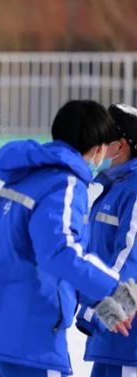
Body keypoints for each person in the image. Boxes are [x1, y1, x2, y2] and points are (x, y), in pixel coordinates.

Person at [0, 100, 137, 377]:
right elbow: (60, 252)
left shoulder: (24, 173)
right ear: (99, 147)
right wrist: (112, 288)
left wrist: (97, 303)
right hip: (28, 333)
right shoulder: (65, 182)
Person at [76, 104, 137, 377]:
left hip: (128, 339)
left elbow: (131, 261)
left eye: (101, 138)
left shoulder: (134, 190)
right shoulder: (115, 188)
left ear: (120, 145)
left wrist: (96, 315)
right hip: (111, 337)